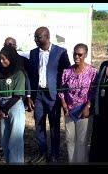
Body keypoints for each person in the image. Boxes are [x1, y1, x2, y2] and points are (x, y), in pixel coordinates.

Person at [26, 26, 70, 163]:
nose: (35, 40)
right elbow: (29, 76)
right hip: (38, 94)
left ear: (47, 37)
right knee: (39, 125)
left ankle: (55, 154)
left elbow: (66, 74)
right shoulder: (33, 53)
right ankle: (43, 152)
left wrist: (63, 96)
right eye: (35, 37)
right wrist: (29, 96)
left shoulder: (60, 52)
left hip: (53, 95)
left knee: (54, 126)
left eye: (38, 37)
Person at [58, 43, 98, 163]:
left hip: (84, 111)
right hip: (69, 111)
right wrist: (64, 104)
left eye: (80, 54)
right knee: (70, 139)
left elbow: (94, 91)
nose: (77, 57)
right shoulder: (67, 71)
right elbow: (62, 89)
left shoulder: (93, 72)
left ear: (85, 55)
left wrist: (88, 106)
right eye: (75, 54)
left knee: (82, 141)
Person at [0, 45, 26, 164]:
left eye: (4, 58)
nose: (2, 61)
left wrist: (4, 109)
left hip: (14, 106)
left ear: (11, 58)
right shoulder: (0, 72)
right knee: (4, 140)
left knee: (15, 140)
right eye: (0, 58)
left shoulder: (19, 73)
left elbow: (17, 95)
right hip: (2, 107)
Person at [0, 37, 31, 111]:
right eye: (7, 45)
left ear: (16, 46)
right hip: (4, 97)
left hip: (19, 97)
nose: (9, 47)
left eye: (12, 45)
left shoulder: (24, 61)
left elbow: (28, 79)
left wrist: (28, 96)